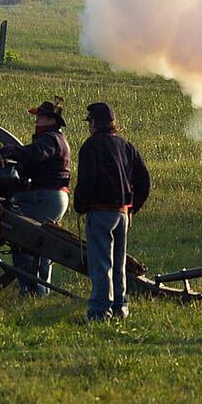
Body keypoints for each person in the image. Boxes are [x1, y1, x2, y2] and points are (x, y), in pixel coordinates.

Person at [74, 102, 152, 321]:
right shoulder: (126, 146)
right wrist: (133, 207)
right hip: (122, 213)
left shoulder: (91, 146)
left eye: (90, 122)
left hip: (100, 212)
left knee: (101, 264)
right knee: (118, 265)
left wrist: (80, 205)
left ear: (94, 124)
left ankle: (100, 311)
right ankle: (120, 307)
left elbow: (87, 180)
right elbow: (144, 181)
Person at [0, 98, 72, 296]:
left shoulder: (50, 139)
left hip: (43, 197)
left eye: (40, 117)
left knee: (23, 238)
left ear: (51, 120)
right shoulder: (55, 139)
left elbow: (35, 154)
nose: (36, 120)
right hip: (51, 197)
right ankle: (39, 290)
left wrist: (7, 151)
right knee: (41, 243)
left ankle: (31, 290)